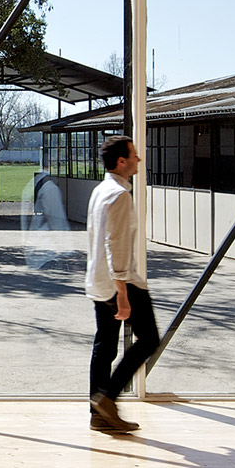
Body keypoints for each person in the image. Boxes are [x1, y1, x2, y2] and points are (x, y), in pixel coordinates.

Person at [83, 134, 156, 433]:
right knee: (150, 339)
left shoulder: (101, 191)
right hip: (119, 282)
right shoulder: (119, 195)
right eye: (134, 155)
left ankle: (98, 414)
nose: (139, 159)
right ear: (121, 161)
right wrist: (123, 292)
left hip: (99, 281)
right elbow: (116, 245)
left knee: (105, 346)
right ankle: (107, 398)